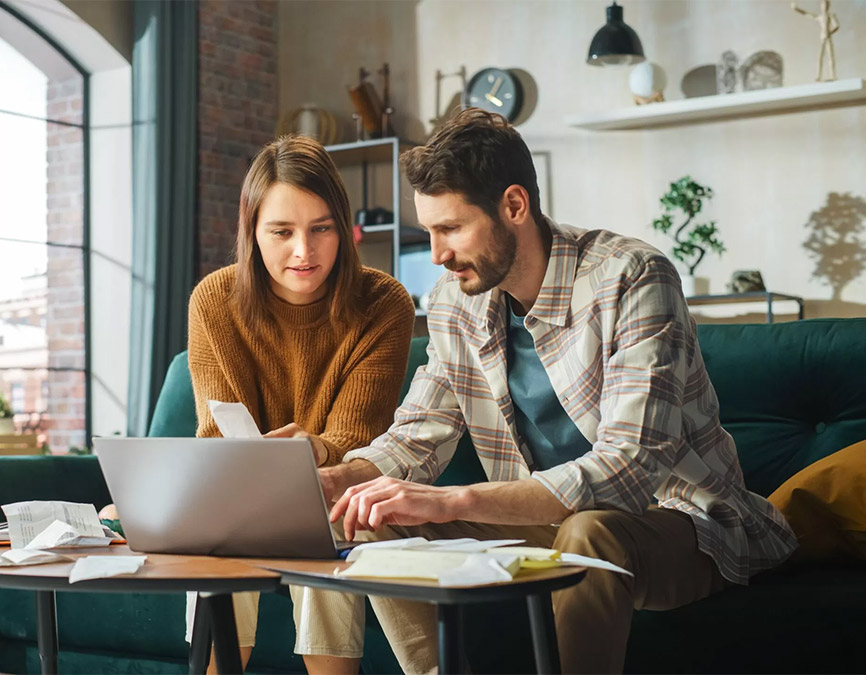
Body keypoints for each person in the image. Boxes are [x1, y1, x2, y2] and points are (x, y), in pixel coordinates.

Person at [319, 108, 798, 674]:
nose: (438, 255)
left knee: (589, 531)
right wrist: (330, 481)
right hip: (542, 524)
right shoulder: (454, 304)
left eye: (450, 229)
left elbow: (628, 469)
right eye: (429, 232)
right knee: (368, 512)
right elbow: (415, 438)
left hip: (678, 520)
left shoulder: (633, 277)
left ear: (514, 206)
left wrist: (455, 498)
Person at [103, 135, 416, 674]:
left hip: (335, 494)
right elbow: (217, 438)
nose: (304, 250)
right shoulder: (214, 300)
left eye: (322, 228)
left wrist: (314, 449)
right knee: (221, 535)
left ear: (344, 228)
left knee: (328, 523)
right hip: (236, 498)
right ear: (252, 231)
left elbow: (358, 442)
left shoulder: (383, 302)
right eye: (282, 231)